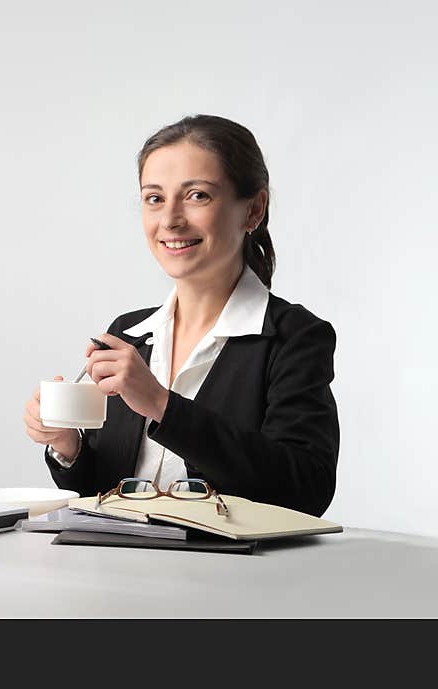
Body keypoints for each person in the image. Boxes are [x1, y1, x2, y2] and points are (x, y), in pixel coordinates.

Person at [23, 114, 340, 517]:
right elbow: (107, 495)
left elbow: (305, 490)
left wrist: (161, 405)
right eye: (155, 198)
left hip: (231, 577)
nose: (170, 219)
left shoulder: (293, 337)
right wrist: (69, 446)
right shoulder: (127, 334)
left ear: (253, 210)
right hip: (118, 570)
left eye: (197, 196)